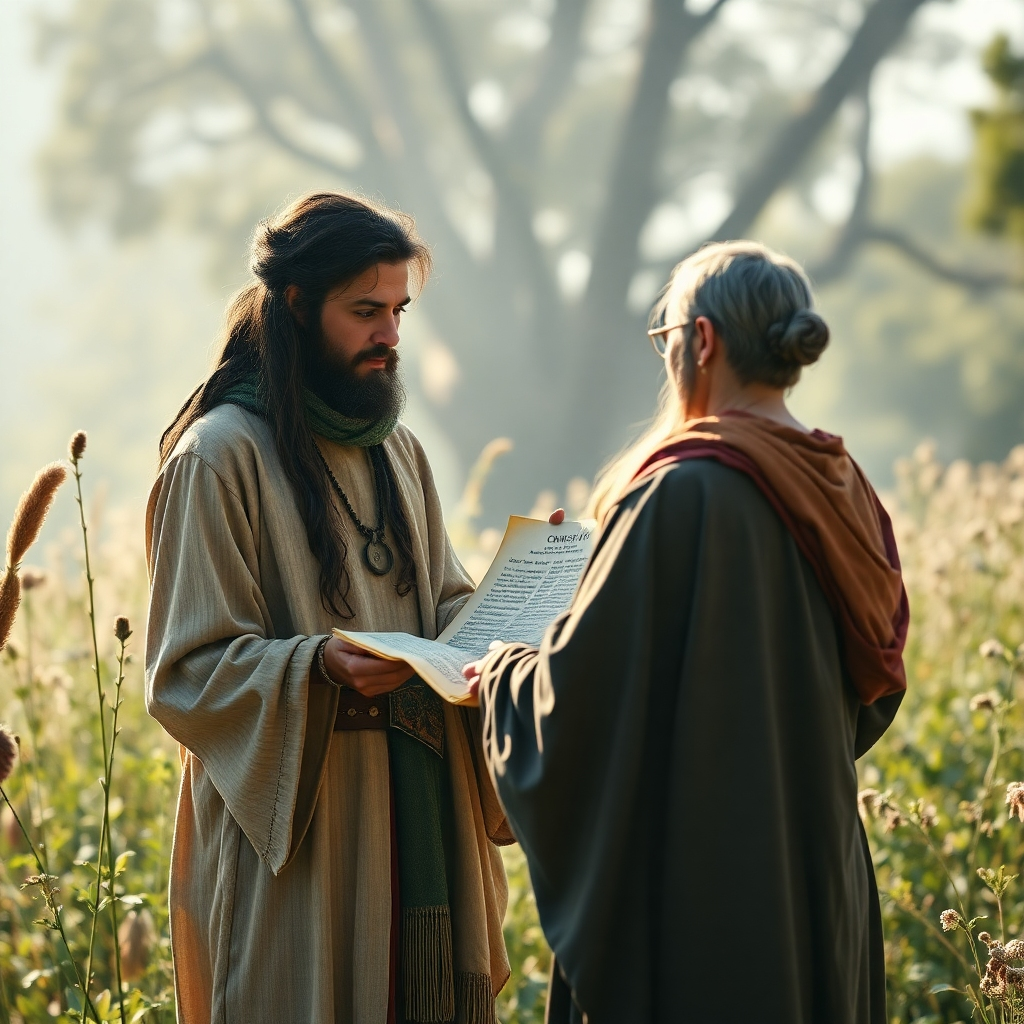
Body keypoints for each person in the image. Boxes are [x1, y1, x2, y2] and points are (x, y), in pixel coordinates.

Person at [466, 241, 908, 1024]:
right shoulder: (842, 486)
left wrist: (504, 670)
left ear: (700, 342)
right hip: (812, 861)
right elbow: (867, 694)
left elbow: (573, 710)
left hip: (702, 883)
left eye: (664, 339)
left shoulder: (681, 493)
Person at [145, 192, 513, 1024]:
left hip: (423, 815)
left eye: (398, 312)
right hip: (308, 846)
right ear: (299, 306)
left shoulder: (400, 450)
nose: (389, 335)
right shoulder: (217, 458)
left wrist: (526, 591)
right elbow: (186, 670)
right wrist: (316, 666)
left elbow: (443, 607)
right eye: (366, 311)